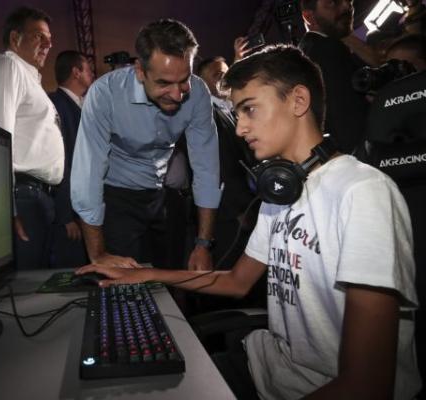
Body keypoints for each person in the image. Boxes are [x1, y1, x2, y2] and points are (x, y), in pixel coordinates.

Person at [76, 44, 422, 399]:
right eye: (238, 113)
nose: (240, 128)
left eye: (250, 109)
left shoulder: (362, 191)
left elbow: (367, 385)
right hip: (264, 368)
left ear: (298, 101)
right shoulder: (281, 191)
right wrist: (147, 275)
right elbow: (237, 281)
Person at [70, 19, 221, 271]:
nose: (177, 95)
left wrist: (204, 244)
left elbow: (207, 168)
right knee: (121, 281)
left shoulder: (198, 93)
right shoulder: (105, 94)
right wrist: (97, 254)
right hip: (116, 197)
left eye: (183, 80)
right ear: (140, 70)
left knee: (171, 277)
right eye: (164, 83)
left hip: (163, 195)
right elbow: (87, 176)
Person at [0, 7, 64, 269]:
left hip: (39, 197)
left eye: (50, 39)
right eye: (39, 36)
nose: (48, 44)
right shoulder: (7, 66)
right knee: (24, 284)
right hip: (22, 197)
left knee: (36, 280)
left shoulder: (29, 77)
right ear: (15, 38)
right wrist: (5, 209)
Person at [197, 56, 256, 268]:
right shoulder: (207, 116)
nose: (225, 79)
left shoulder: (231, 110)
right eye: (218, 76)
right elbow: (219, 167)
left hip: (248, 205)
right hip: (229, 213)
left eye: (226, 73)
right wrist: (238, 211)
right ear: (202, 83)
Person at [299, 0, 376, 154]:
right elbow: (346, 117)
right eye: (332, 3)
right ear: (308, 16)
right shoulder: (327, 50)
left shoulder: (309, 50)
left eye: (349, 1)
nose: (347, 7)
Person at [48, 51, 94, 268]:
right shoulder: (56, 104)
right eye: (89, 69)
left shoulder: (81, 105)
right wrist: (65, 215)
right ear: (76, 72)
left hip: (83, 207)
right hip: (69, 210)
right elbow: (62, 160)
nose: (92, 74)